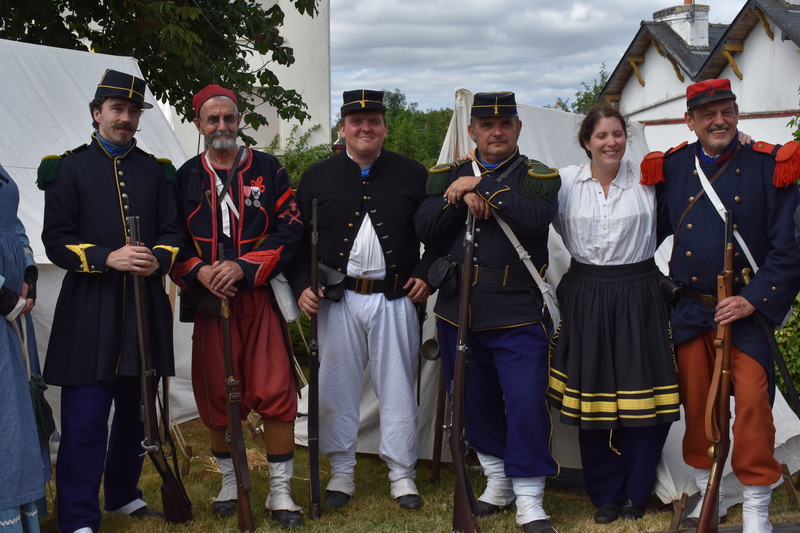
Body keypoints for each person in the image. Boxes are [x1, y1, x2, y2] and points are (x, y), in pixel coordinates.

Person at [642, 78, 800, 533]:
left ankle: (755, 508)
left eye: (726, 110)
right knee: (699, 410)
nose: (719, 120)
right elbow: (643, 237)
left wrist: (751, 300)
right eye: (707, 114)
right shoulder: (670, 168)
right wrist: (662, 290)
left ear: (737, 112)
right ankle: (706, 490)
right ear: (689, 121)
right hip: (693, 313)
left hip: (749, 317)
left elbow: (789, 249)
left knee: (753, 408)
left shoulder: (769, 164)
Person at [39, 69, 183, 533]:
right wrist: (108, 257)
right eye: (117, 109)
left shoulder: (156, 170)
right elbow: (56, 241)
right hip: (90, 310)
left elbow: (174, 232)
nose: (126, 118)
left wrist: (155, 259)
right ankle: (79, 514)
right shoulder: (68, 167)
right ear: (96, 113)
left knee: (137, 413)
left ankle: (123, 494)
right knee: (85, 418)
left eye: (133, 111)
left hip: (144, 306)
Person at [415, 91, 561, 533]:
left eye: (505, 125)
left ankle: (530, 500)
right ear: (472, 131)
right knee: (472, 402)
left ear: (518, 129)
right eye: (486, 126)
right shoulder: (448, 176)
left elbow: (537, 219)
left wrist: (486, 188)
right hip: (458, 310)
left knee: (525, 403)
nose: (495, 132)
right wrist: (455, 198)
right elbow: (425, 229)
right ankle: (497, 484)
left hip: (516, 309)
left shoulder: (537, 174)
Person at [289, 89, 436, 510]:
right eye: (356, 121)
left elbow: (438, 233)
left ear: (385, 128)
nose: (365, 127)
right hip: (338, 299)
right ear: (343, 128)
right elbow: (298, 243)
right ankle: (342, 473)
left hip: (394, 299)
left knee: (397, 389)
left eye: (373, 120)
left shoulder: (413, 174)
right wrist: (302, 285)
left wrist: (425, 275)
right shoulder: (318, 176)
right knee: (337, 388)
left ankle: (402, 475)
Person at [171, 84, 303, 528]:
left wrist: (245, 267)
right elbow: (171, 238)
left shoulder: (269, 169)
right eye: (213, 119)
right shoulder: (185, 176)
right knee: (214, 394)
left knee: (276, 391)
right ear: (199, 125)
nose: (222, 126)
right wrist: (198, 270)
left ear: (239, 120)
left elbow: (290, 229)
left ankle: (280, 493)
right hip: (211, 303)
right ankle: (230, 480)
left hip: (258, 298)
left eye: (229, 118)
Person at [546, 107, 680, 524]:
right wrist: (471, 178)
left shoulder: (651, 178)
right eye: (601, 135)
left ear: (627, 138)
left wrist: (743, 141)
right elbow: (513, 192)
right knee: (592, 402)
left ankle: (635, 493)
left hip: (640, 293)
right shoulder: (564, 182)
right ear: (587, 141)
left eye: (618, 134)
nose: (611, 143)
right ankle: (604, 493)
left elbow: (705, 166)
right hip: (585, 293)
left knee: (646, 400)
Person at [0, 165, 45, 533]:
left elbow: (13, 225)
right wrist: (2, 294)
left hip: (11, 313)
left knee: (13, 418)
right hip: (3, 307)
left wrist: (27, 271)